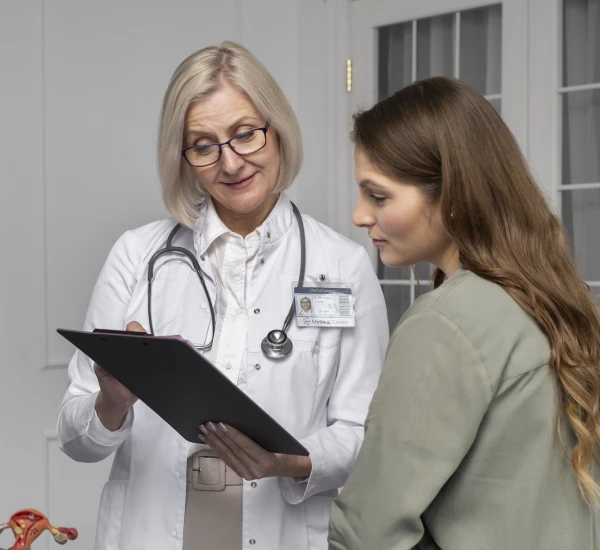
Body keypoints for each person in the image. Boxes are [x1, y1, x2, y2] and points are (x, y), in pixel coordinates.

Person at [57, 42, 388, 550]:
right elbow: (76, 440)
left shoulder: (342, 265)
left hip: (280, 525)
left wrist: (293, 461)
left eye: (245, 134)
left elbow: (363, 432)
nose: (231, 163)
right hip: (153, 526)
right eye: (204, 145)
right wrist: (111, 403)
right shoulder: (136, 256)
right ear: (184, 158)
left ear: (276, 130)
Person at [328, 77, 600, 549]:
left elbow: (368, 533)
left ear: (451, 193)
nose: (359, 215)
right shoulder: (548, 297)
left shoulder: (446, 324)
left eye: (378, 195)